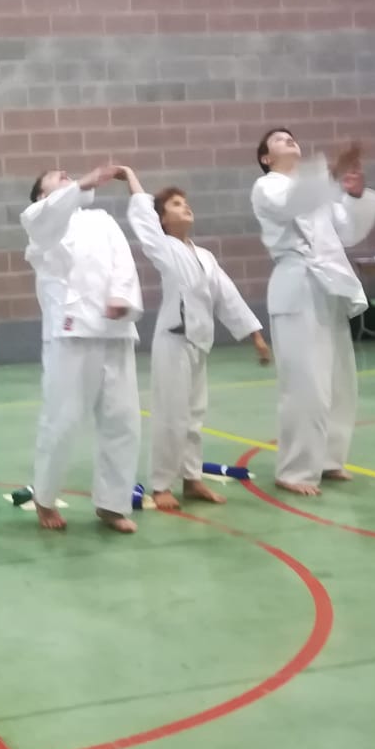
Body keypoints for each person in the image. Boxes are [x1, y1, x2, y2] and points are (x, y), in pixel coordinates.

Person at [121, 168, 271, 511]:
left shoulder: (205, 257)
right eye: (175, 204)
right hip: (173, 341)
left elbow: (228, 297)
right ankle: (162, 484)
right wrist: (130, 177)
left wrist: (256, 336)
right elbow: (143, 216)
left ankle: (191, 479)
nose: (185, 206)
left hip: (199, 343)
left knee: (193, 417)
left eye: (186, 202)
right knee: (170, 416)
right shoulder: (163, 246)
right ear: (162, 219)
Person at [251, 131, 375, 496]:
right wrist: (334, 171)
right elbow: (291, 205)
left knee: (339, 380)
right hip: (296, 286)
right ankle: (294, 469)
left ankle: (328, 459)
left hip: (329, 287)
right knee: (304, 383)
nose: (289, 140)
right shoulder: (267, 187)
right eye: (279, 139)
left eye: (292, 137)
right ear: (265, 158)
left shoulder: (315, 190)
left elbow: (347, 231)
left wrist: (353, 194)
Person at [21, 164, 144, 534]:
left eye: (67, 174)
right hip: (69, 332)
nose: (65, 175)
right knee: (62, 420)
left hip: (115, 329)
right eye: (54, 176)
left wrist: (122, 297)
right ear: (42, 195)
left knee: (123, 421)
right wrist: (82, 185)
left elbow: (123, 261)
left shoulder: (101, 220)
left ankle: (112, 504)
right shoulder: (40, 224)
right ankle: (44, 496)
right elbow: (40, 218)